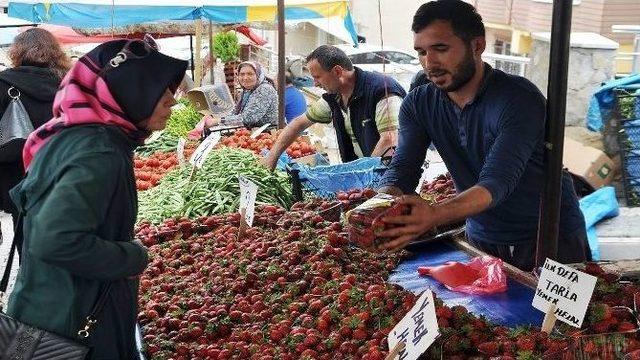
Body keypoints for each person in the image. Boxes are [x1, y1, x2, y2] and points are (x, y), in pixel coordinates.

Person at [377, 0, 589, 272]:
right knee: (487, 314)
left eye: (440, 49)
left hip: (549, 237)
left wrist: (435, 214)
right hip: (480, 236)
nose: (429, 63)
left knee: (558, 315)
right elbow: (403, 169)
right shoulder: (418, 104)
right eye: (421, 52)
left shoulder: (518, 99)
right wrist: (379, 205)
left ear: (477, 46)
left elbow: (497, 181)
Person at [7, 39, 187, 359]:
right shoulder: (99, 152)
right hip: (72, 323)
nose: (172, 101)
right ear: (130, 95)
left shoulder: (77, 135)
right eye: (161, 90)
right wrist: (131, 257)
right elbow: (55, 240)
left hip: (49, 309)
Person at [262, 45, 406, 170]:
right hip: (368, 177)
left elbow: (390, 139)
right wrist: (272, 157)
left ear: (337, 71)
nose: (315, 84)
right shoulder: (335, 97)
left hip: (393, 178)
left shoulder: (382, 90)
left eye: (318, 77)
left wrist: (365, 176)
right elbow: (299, 123)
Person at [0, 28, 71, 259]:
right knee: (67, 234)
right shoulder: (69, 84)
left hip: (18, 178)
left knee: (25, 239)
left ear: (16, 52)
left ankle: (32, 284)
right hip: (65, 172)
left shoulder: (3, 84)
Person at [207, 61, 278, 128]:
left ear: (258, 75)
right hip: (252, 133)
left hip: (267, 135)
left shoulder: (264, 89)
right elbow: (235, 112)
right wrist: (216, 118)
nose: (245, 78)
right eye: (242, 74)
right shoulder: (246, 91)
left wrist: (219, 121)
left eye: (250, 74)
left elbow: (249, 118)